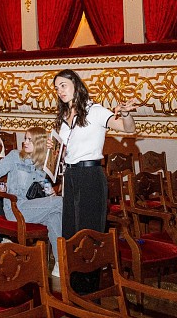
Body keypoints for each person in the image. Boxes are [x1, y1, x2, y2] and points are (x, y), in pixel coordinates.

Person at [53, 69, 136, 239]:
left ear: (75, 85)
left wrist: (126, 113)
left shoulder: (95, 111)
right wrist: (56, 149)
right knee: (70, 231)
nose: (60, 91)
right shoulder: (64, 116)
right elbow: (68, 151)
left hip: (89, 175)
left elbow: (128, 128)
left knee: (89, 234)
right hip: (70, 175)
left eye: (63, 85)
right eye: (57, 88)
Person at [0, 127, 62, 276]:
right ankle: (76, 245)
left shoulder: (42, 164)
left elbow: (43, 186)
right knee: (61, 203)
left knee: (54, 216)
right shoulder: (15, 156)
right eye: (25, 138)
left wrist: (50, 192)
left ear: (39, 143)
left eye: (29, 140)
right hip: (16, 208)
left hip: (33, 208)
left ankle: (60, 263)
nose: (25, 142)